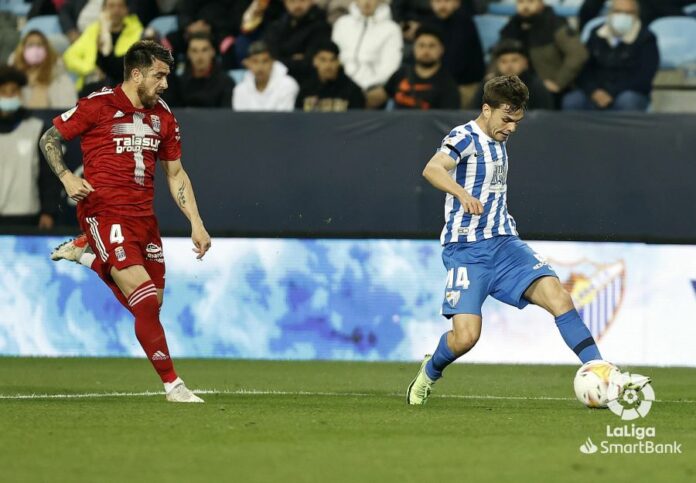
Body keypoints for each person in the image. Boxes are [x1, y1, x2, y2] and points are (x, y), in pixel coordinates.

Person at [406, 75, 603, 405]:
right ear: (486, 109)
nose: (511, 127)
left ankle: (600, 370)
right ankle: (430, 371)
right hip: (467, 251)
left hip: (505, 244)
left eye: (517, 121)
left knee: (561, 299)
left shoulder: (498, 137)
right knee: (466, 337)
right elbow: (432, 169)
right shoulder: (464, 137)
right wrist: (462, 194)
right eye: (506, 119)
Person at [40, 41, 212, 403]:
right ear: (137, 74)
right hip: (103, 212)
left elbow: (176, 173)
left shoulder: (162, 115)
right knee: (146, 302)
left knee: (152, 302)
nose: (165, 84)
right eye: (158, 75)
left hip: (143, 218)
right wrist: (67, 177)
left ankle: (86, 255)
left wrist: (196, 221)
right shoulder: (98, 105)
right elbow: (50, 138)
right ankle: (173, 385)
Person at [562, 0, 659, 112]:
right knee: (572, 101)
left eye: (629, 13)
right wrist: (594, 91)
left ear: (637, 15)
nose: (623, 16)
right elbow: (584, 68)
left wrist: (611, 92)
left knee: (628, 101)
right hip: (596, 92)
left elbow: (644, 78)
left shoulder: (647, 39)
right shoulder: (596, 34)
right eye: (618, 11)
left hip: (627, 93)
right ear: (610, 13)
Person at [0, 66, 60, 230]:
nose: (9, 96)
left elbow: (49, 175)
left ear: (21, 94)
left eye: (13, 91)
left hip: (27, 215)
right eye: (4, 92)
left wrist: (48, 211)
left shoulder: (37, 129)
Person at [500, 0, 587, 102]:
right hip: (516, 88)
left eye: (530, 2)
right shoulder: (512, 26)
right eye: (521, 2)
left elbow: (578, 54)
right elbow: (499, 55)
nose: (525, 6)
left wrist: (559, 83)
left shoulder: (556, 24)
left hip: (550, 90)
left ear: (541, 3)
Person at [366, 26, 459, 109]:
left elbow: (447, 121)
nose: (426, 51)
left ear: (441, 50)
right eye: (421, 45)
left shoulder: (448, 84)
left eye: (432, 46)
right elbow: (378, 98)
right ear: (414, 48)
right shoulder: (401, 74)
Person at [63, 0, 143, 93]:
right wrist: (91, 69)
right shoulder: (94, 29)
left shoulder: (137, 32)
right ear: (103, 10)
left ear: (126, 10)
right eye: (111, 6)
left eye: (120, 6)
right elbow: (69, 56)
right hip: (93, 83)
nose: (116, 10)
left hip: (121, 83)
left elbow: (128, 65)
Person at [419, 0, 485, 107]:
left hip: (463, 85)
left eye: (447, 1)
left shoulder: (465, 24)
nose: (442, 5)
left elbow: (458, 62)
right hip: (434, 84)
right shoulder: (427, 24)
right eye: (438, 2)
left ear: (457, 3)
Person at [332, 0, 403, 91]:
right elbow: (333, 57)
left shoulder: (392, 29)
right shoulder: (342, 23)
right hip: (339, 86)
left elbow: (390, 67)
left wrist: (368, 86)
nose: (367, 2)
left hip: (371, 89)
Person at [263, 0, 332, 84]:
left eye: (302, 0)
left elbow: (309, 64)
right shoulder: (276, 26)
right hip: (277, 82)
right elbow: (269, 60)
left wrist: (283, 58)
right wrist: (293, 60)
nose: (297, 5)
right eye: (292, 1)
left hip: (307, 83)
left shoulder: (321, 26)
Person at [472, 39, 553, 110]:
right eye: (504, 61)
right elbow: (474, 113)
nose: (509, 66)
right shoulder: (488, 85)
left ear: (525, 63)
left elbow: (544, 117)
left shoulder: (536, 86)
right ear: (497, 64)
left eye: (514, 60)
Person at [11, 30, 78, 109]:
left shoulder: (60, 78)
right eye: (30, 45)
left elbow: (67, 110)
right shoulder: (13, 79)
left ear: (47, 50)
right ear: (22, 50)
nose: (35, 49)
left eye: (39, 45)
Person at [168, 32, 235, 108]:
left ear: (213, 52)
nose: (199, 56)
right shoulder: (179, 83)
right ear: (188, 54)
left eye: (204, 50)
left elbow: (227, 116)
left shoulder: (226, 82)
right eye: (194, 51)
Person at [296, 40, 365, 111]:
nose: (328, 65)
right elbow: (298, 119)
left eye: (333, 60)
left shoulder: (353, 91)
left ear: (338, 62)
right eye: (323, 60)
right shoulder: (306, 90)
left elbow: (358, 119)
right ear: (315, 61)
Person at [233, 41, 299, 111]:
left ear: (273, 62)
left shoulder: (287, 85)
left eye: (265, 61)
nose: (260, 67)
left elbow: (284, 119)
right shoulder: (240, 90)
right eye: (255, 61)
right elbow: (240, 120)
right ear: (248, 63)